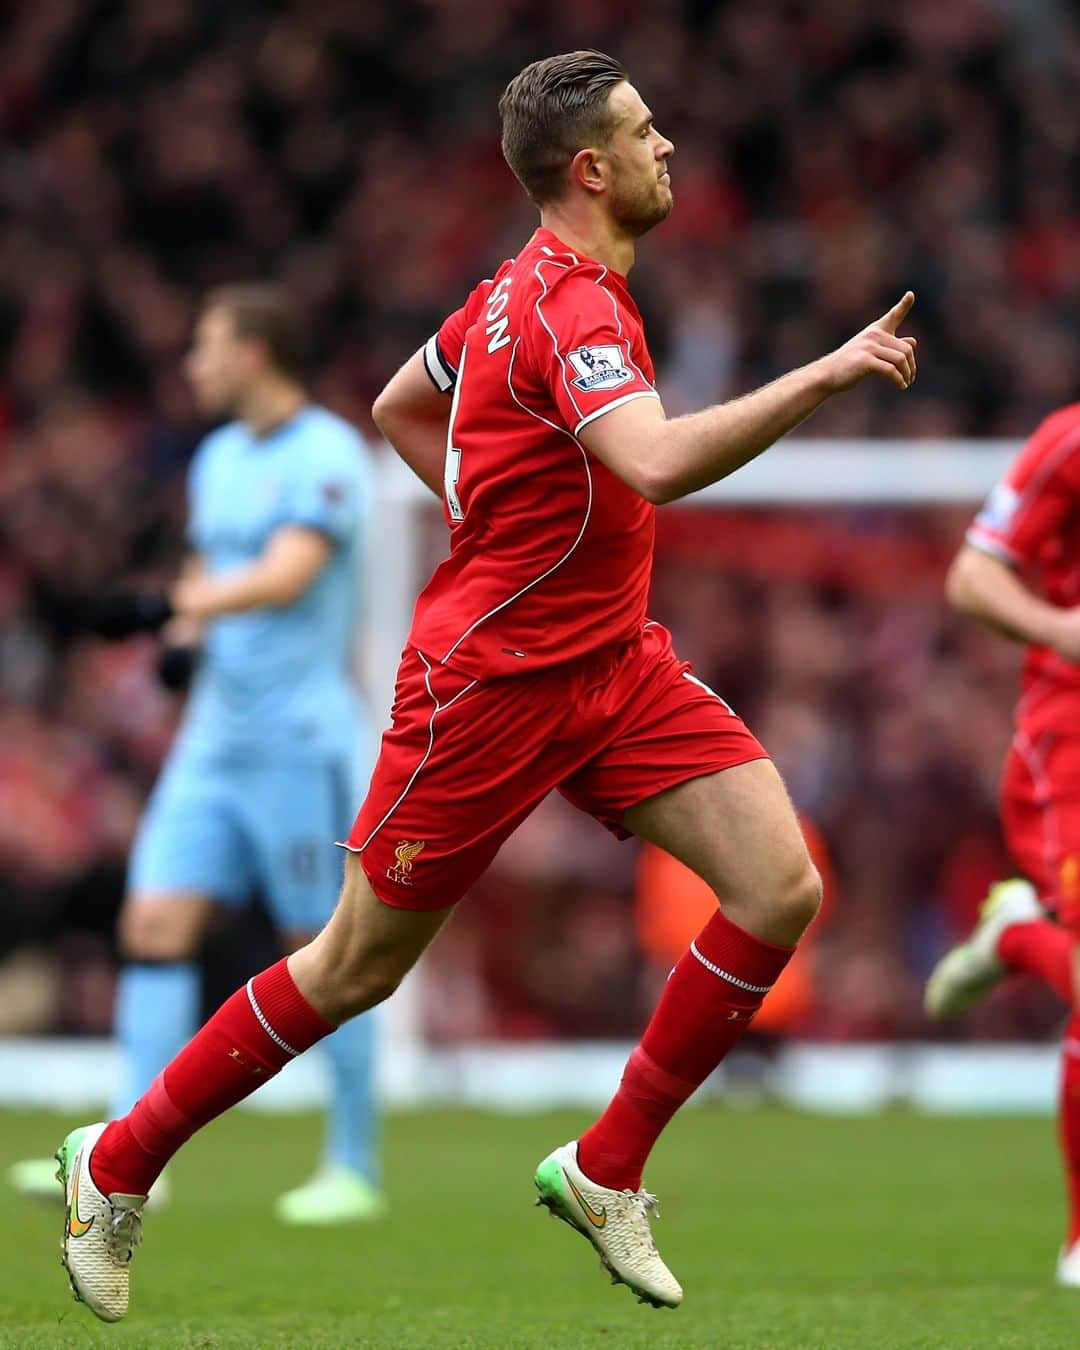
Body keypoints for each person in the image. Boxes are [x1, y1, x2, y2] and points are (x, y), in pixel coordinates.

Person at [53, 51, 917, 1323]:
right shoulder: (572, 311)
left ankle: (606, 1166)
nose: (667, 144)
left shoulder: (510, 295)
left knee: (779, 886)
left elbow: (404, 403)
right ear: (591, 170)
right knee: (352, 968)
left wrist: (483, 504)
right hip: (491, 685)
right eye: (643, 130)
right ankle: (114, 1165)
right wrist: (825, 373)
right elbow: (659, 463)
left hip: (612, 663)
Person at [22, 285, 382, 1236]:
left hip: (298, 746)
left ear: (257, 353)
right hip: (213, 744)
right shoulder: (219, 460)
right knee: (152, 925)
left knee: (327, 952)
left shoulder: (328, 454)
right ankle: (131, 1156)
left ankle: (353, 1161)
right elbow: (208, 582)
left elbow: (289, 574)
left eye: (207, 347)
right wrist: (179, 633)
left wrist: (165, 605)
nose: (193, 366)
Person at [925, 401, 1080, 1287]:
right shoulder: (1069, 442)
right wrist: (1065, 630)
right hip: (1070, 731)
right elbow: (972, 578)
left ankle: (1017, 931)